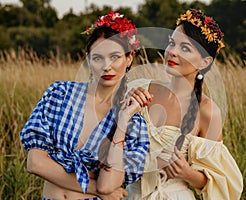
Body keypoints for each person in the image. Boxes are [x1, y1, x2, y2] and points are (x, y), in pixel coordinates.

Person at [20, 11, 149, 200]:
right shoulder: (60, 94)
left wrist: (121, 122)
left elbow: (109, 185)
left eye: (115, 57)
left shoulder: (133, 123)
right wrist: (94, 188)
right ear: (89, 60)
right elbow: (35, 163)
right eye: (98, 58)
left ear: (129, 59)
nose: (107, 66)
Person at [125, 8, 243, 199]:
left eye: (185, 48)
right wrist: (125, 107)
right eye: (172, 43)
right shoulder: (139, 88)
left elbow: (219, 181)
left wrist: (187, 174)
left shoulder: (207, 112)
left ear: (205, 61)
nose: (172, 52)